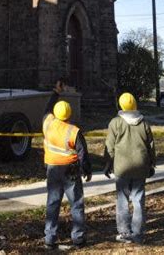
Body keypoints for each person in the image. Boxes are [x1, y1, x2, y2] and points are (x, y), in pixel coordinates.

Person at [43, 80, 92, 249]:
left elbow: (47, 109)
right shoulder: (74, 131)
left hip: (52, 169)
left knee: (52, 203)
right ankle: (78, 238)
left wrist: (56, 92)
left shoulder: (47, 123)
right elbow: (82, 153)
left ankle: (50, 238)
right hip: (71, 171)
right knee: (76, 204)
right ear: (70, 114)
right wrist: (87, 170)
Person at [104, 93, 156, 245]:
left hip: (122, 168)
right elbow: (151, 146)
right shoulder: (144, 123)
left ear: (121, 105)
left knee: (122, 200)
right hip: (141, 167)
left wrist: (108, 163)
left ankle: (124, 232)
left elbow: (110, 147)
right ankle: (138, 234)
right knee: (138, 200)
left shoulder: (115, 123)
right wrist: (152, 163)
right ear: (135, 104)